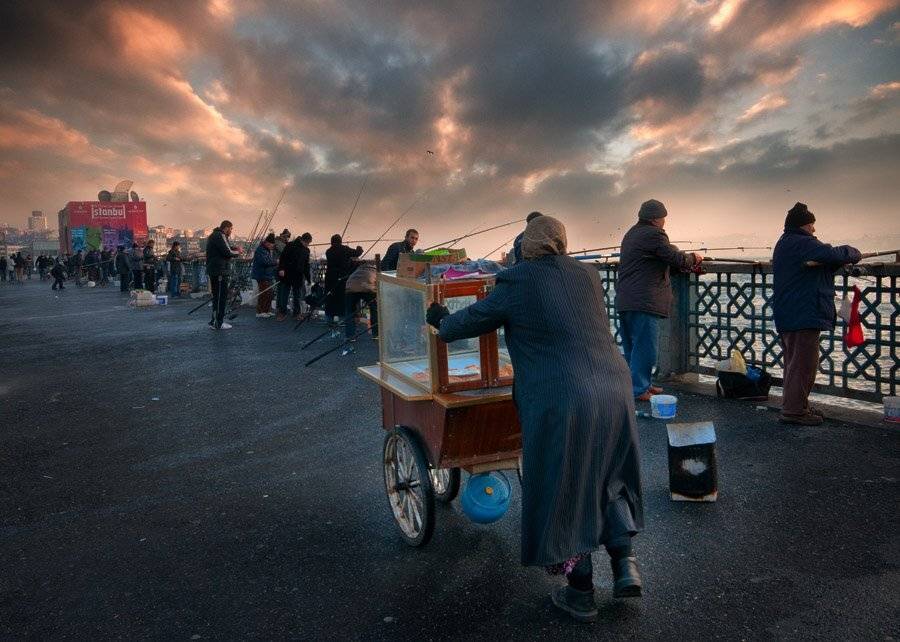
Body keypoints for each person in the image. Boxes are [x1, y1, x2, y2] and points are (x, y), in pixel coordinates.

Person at [426, 216, 643, 622]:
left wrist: (439, 317)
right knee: (609, 474)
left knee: (566, 486)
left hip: (563, 398)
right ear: (562, 242)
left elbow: (465, 324)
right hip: (614, 388)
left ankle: (580, 592)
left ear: (526, 246)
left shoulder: (518, 280)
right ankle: (625, 565)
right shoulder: (587, 276)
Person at [773, 202, 861, 426]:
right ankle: (794, 412)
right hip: (803, 313)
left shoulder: (785, 242)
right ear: (804, 226)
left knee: (794, 364)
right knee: (803, 365)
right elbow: (831, 253)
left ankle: (797, 406)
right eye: (812, 225)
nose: (814, 230)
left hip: (789, 312)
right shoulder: (802, 242)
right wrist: (853, 252)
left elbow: (820, 260)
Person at [615, 199, 702, 401]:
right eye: (663, 218)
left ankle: (639, 384)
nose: (664, 222)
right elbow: (676, 259)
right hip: (643, 300)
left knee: (632, 347)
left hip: (626, 298)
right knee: (646, 348)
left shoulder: (631, 233)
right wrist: (694, 258)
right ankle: (639, 389)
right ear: (656, 219)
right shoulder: (654, 234)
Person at [206, 220, 241, 330]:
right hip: (220, 271)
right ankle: (218, 323)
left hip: (216, 270)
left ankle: (215, 321)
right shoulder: (220, 235)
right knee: (220, 297)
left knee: (217, 297)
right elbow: (227, 252)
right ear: (226, 227)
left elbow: (226, 248)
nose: (231, 231)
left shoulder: (215, 235)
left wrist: (234, 249)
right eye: (231, 229)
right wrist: (238, 252)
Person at [324, 234, 363, 323]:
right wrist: (359, 247)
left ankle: (329, 318)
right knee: (341, 298)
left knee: (330, 297)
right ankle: (342, 319)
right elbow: (357, 253)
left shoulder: (328, 251)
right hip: (342, 277)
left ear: (331, 241)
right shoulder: (345, 249)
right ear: (340, 241)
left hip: (330, 277)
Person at [276, 232, 312, 321]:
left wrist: (308, 278)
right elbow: (283, 258)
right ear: (303, 240)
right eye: (307, 243)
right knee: (284, 294)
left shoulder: (306, 250)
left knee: (297, 296)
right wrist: (281, 269)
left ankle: (296, 313)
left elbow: (306, 265)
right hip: (287, 274)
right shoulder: (290, 245)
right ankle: (282, 313)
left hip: (298, 276)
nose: (307, 245)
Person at [344, 262, 378, 343]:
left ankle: (350, 336)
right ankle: (376, 334)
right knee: (374, 310)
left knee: (349, 311)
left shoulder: (357, 270)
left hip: (351, 288)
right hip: (368, 288)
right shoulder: (375, 270)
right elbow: (377, 285)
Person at [251, 233, 278, 318]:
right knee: (264, 293)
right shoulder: (261, 250)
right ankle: (260, 312)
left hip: (267, 275)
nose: (272, 247)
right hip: (261, 275)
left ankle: (266, 310)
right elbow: (265, 262)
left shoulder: (266, 250)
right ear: (267, 243)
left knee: (269, 293)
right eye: (271, 245)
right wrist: (276, 262)